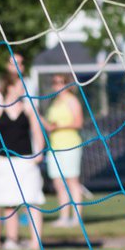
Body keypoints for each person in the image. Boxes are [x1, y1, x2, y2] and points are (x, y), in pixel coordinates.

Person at [0, 67, 46, 250]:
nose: (23, 87)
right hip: (4, 162)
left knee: (32, 201)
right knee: (8, 203)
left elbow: (37, 130)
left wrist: (39, 152)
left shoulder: (28, 106)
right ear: (10, 86)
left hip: (26, 160)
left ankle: (36, 243)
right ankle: (11, 241)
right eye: (19, 84)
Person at [44, 72, 85, 227]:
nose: (58, 85)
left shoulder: (72, 101)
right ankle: (63, 217)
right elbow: (50, 124)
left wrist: (58, 126)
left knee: (72, 181)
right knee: (58, 183)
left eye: (61, 82)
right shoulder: (54, 103)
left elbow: (78, 122)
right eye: (55, 82)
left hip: (70, 145)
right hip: (55, 146)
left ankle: (76, 217)